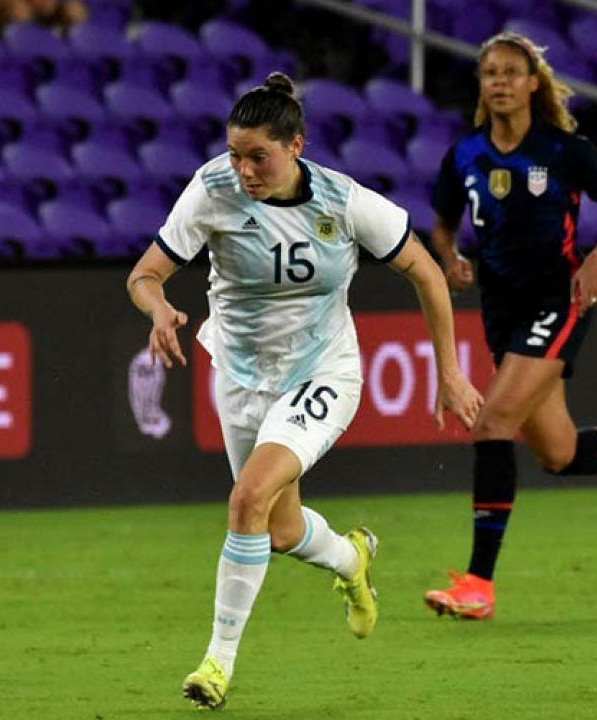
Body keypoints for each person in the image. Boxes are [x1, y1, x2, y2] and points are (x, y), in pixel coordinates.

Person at [126, 72, 483, 709]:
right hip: (239, 378)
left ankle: (216, 664)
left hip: (322, 373)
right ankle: (351, 560)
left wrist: (449, 373)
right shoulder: (212, 189)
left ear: (296, 146)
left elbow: (428, 275)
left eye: (257, 155)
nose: (244, 170)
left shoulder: (344, 204)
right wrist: (157, 309)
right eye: (236, 154)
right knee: (280, 531)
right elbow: (146, 274)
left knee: (247, 499)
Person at [422, 32, 597, 621]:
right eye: (489, 72)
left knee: (494, 422)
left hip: (560, 297)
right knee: (558, 452)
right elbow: (442, 225)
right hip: (500, 310)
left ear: (532, 84)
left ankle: (479, 584)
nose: (498, 81)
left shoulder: (565, 149)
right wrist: (449, 259)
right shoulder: (466, 155)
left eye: (510, 72)